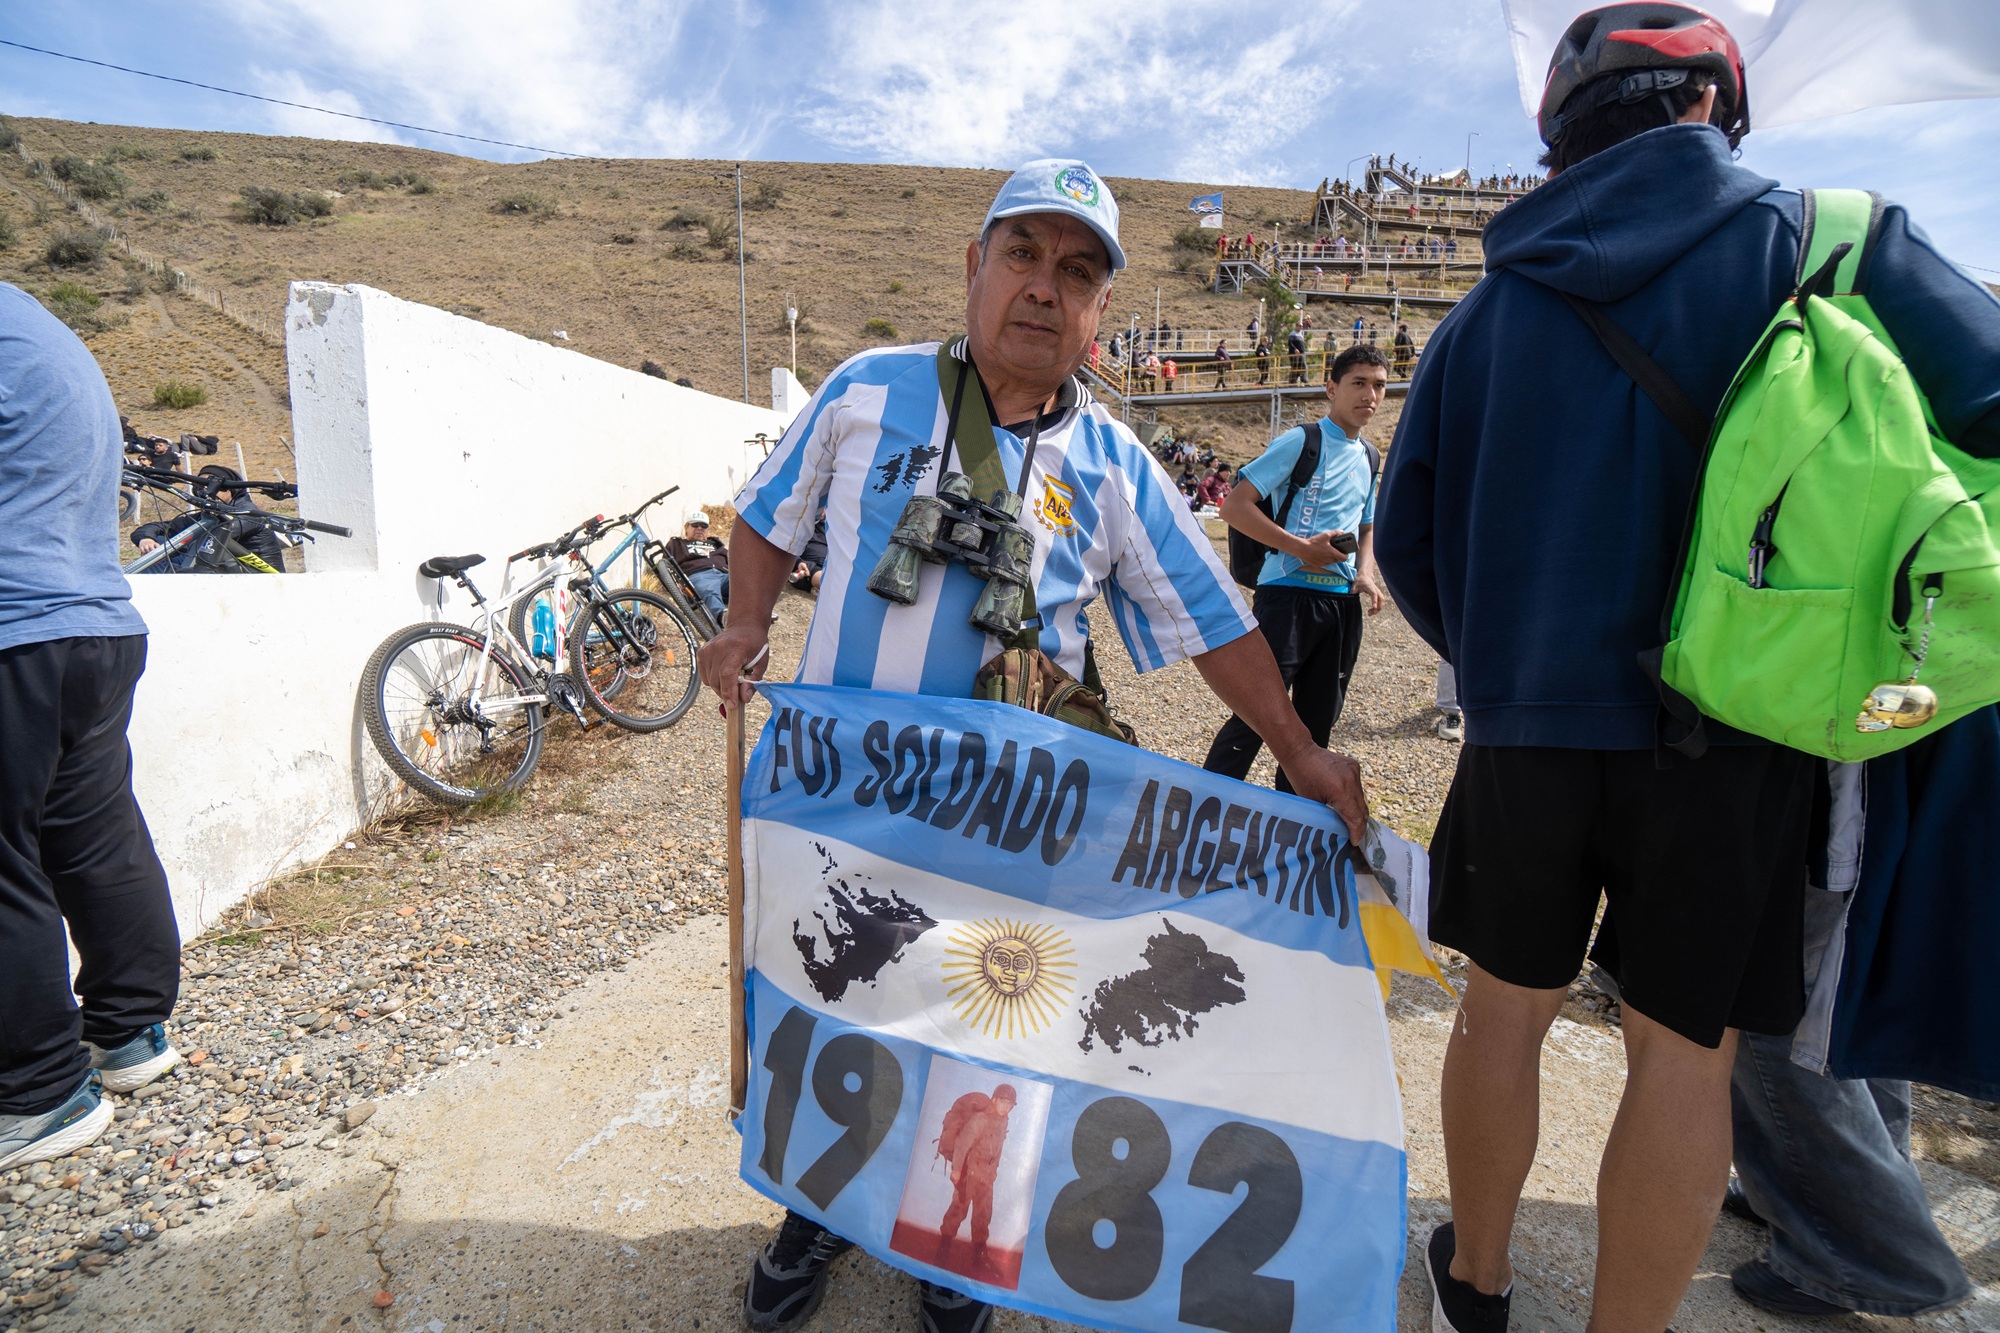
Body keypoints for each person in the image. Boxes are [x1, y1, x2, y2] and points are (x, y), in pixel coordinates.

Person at [1372, 7, 2000, 1332]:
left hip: (1527, 722)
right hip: (1742, 731)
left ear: (1559, 134)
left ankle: (1472, 1290)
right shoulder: (1830, 241)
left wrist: (1502, 659)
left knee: (1505, 1008)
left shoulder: (1484, 312)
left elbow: (1408, 539)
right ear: (1720, 107)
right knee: (1684, 1052)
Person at [701, 157, 1368, 1333]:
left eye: (1077, 272)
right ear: (973, 270)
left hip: (1008, 835)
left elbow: (1214, 623)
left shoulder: (1114, 464)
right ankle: (814, 1206)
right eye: (1022, 256)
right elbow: (766, 516)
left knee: (983, 1026)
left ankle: (955, 1246)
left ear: (1101, 311)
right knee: (825, 995)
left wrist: (1302, 752)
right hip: (840, 809)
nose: (1044, 290)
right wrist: (747, 620)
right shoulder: (865, 390)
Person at [0, 281, 180, 1172]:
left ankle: (36, 1094)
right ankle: (130, 1033)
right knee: (95, 833)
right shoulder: (34, 320)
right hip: (99, 620)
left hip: (13, 629)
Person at [1204, 345, 1389, 791]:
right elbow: (1234, 506)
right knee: (1256, 715)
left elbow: (1366, 526)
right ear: (1332, 388)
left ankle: (1292, 823)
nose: (1370, 394)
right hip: (1286, 595)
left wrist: (1365, 572)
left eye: (1379, 385)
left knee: (1317, 724)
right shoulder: (1302, 441)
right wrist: (1300, 548)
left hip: (1340, 604)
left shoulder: (1370, 457)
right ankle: (1203, 807)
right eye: (1358, 383)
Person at [132, 464, 289, 572]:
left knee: (159, 567)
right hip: (220, 571)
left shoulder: (249, 514)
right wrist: (145, 539)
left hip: (252, 577)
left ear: (231, 490)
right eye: (200, 486)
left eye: (212, 485)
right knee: (158, 540)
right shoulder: (205, 517)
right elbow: (156, 527)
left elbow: (220, 534)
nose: (205, 490)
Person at [934, 1084, 1015, 1281]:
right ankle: (943, 1249)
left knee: (983, 1216)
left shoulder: (1003, 1122)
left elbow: (997, 1150)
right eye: (1003, 1102)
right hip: (969, 1174)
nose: (1006, 1108)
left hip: (986, 1178)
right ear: (994, 1100)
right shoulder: (981, 1119)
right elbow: (962, 1143)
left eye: (1010, 1104)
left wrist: (993, 1172)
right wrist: (956, 1170)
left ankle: (980, 1257)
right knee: (958, 1210)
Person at [666, 511, 730, 621]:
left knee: (746, 582)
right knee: (709, 590)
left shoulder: (716, 545)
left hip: (723, 574)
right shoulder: (677, 544)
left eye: (704, 526)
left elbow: (733, 561)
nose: (699, 528)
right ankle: (722, 617)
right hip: (699, 574)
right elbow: (666, 565)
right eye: (695, 525)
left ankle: (758, 614)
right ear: (686, 528)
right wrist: (676, 583)